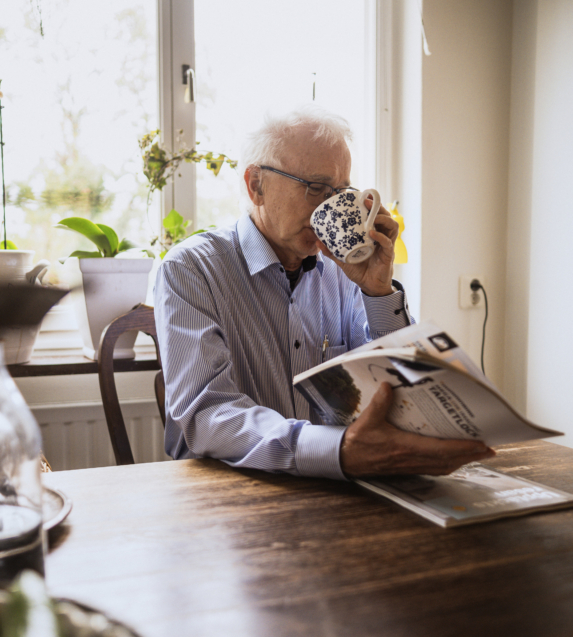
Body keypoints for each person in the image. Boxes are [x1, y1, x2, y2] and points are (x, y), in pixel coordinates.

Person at [153, 107, 495, 479]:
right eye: (315, 187)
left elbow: (403, 389)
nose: (330, 206)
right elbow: (206, 414)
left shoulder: (344, 271)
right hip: (229, 489)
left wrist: (378, 291)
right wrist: (336, 450)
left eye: (341, 192)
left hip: (338, 483)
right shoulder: (191, 269)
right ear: (256, 186)